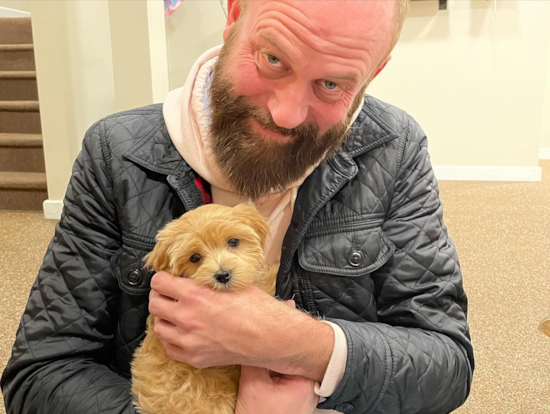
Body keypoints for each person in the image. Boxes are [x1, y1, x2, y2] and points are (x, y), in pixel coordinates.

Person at [1, 0, 475, 413]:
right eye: (273, 58)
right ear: (234, 15)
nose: (286, 114)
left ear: (374, 71)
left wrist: (301, 346)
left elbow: (446, 363)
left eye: (332, 84)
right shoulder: (115, 152)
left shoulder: (394, 148)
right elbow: (40, 373)